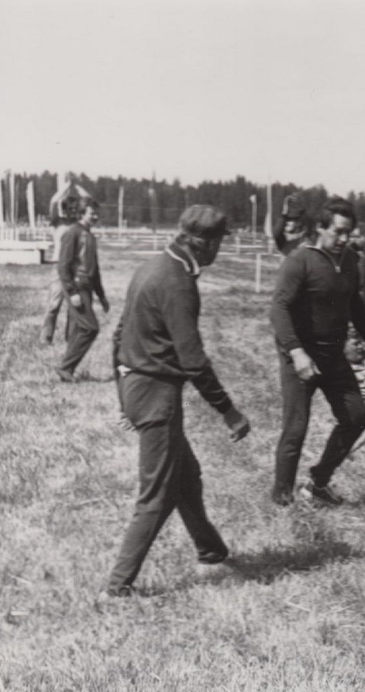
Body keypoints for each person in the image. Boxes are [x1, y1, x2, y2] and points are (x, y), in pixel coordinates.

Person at [99, 205, 251, 603]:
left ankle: (210, 548)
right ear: (205, 243)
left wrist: (123, 396)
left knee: (187, 475)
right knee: (158, 495)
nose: (219, 250)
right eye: (219, 242)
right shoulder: (178, 282)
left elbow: (118, 338)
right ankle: (116, 588)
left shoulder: (150, 267)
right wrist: (228, 412)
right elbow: (193, 359)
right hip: (157, 397)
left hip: (137, 387)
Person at [269, 198, 365, 507]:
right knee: (295, 430)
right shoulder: (300, 260)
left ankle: (318, 482)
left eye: (349, 233)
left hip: (333, 356)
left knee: (357, 416)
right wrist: (296, 353)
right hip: (301, 357)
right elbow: (279, 308)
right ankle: (281, 498)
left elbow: (355, 305)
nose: (345, 239)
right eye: (338, 232)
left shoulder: (349, 261)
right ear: (320, 229)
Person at [54, 196, 109, 382]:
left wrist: (102, 296)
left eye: (96, 214)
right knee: (90, 328)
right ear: (82, 213)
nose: (95, 217)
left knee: (78, 330)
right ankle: (65, 367)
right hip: (76, 287)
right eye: (92, 213)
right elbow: (63, 266)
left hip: (87, 288)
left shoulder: (90, 236)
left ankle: (66, 370)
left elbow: (95, 269)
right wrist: (71, 292)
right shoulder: (72, 233)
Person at [40, 184, 83, 345]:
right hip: (59, 267)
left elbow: (88, 200)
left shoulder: (79, 224)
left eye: (75, 208)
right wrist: (66, 187)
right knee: (53, 305)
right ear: (63, 209)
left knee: (74, 306)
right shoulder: (57, 223)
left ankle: (70, 339)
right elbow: (53, 201)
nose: (72, 211)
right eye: (69, 208)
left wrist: (77, 187)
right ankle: (45, 338)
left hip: (75, 268)